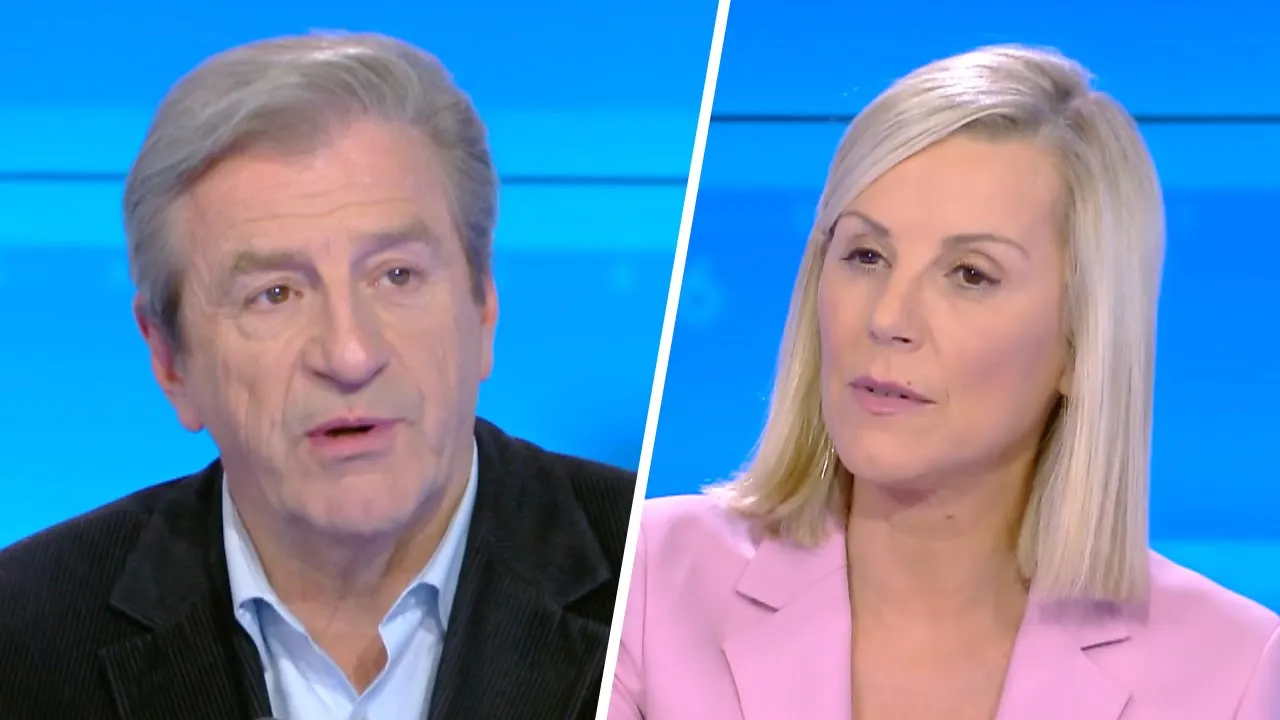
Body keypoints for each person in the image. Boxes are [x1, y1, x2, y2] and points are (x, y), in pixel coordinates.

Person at [608, 44, 1279, 720]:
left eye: (970, 274)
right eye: (866, 255)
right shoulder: (644, 582)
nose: (888, 318)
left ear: (1082, 346)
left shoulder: (1234, 675)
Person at [0, 31, 635, 720]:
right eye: (275, 294)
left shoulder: (651, 576)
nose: (350, 353)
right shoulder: (25, 638)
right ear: (170, 361)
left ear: (483, 308)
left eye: (397, 276)